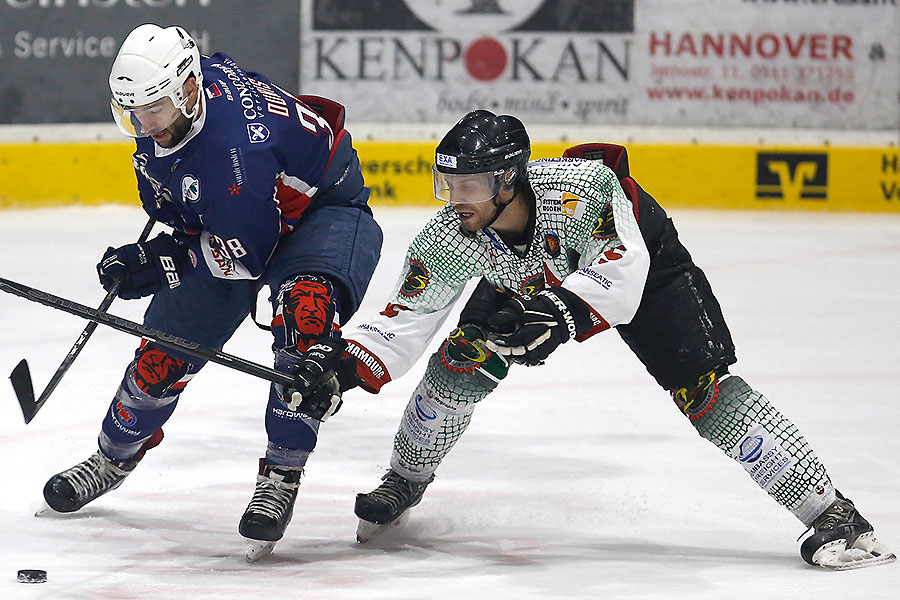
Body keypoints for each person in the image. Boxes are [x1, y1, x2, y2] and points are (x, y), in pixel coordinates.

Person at [305, 110, 894, 570]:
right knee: (458, 362)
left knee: (704, 393)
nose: (455, 198)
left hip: (646, 272)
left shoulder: (582, 190)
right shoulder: (453, 234)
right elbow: (405, 317)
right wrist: (344, 368)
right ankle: (405, 479)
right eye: (447, 183)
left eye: (471, 184)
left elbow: (623, 265)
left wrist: (558, 312)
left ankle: (834, 514)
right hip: (532, 278)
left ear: (508, 179)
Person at [39, 24, 382, 561]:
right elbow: (186, 209)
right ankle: (111, 458)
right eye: (132, 111)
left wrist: (164, 262)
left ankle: (282, 473)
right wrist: (164, 252)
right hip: (236, 218)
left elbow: (244, 255)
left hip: (319, 217)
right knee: (160, 358)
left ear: (189, 90)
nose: (144, 124)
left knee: (306, 327)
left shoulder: (234, 153)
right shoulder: (177, 113)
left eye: (153, 108)